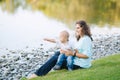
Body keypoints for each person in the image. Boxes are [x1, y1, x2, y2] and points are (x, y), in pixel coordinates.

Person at [28, 20, 93, 79]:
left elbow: (87, 56)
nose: (76, 30)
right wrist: (67, 51)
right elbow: (77, 50)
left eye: (78, 28)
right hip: (77, 60)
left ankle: (37, 74)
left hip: (80, 65)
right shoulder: (81, 38)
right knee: (58, 53)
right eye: (76, 28)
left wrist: (72, 53)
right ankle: (54, 66)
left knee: (55, 59)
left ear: (83, 28)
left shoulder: (86, 39)